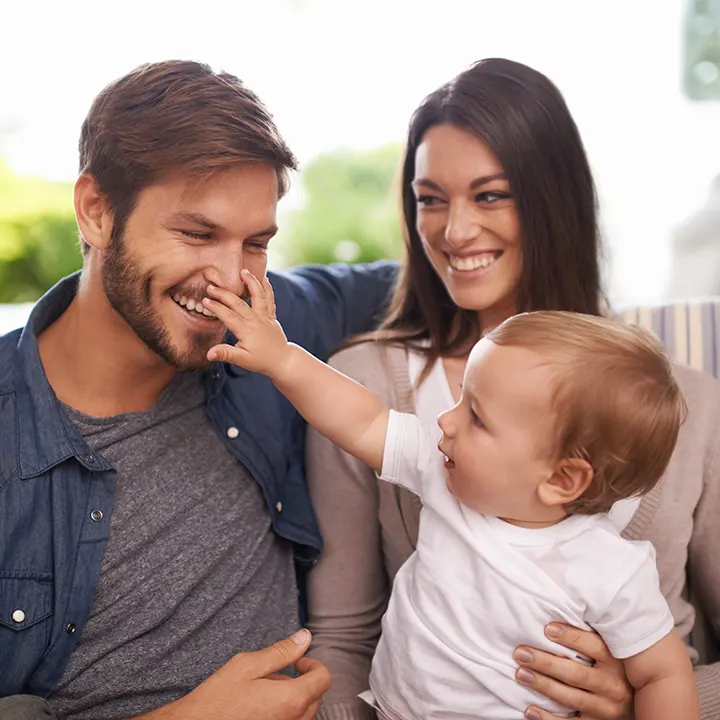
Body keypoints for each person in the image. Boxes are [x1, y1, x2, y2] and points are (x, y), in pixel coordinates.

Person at [304, 58, 720, 720]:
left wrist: (635, 702)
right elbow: (342, 640)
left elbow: (679, 669)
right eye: (430, 198)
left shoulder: (691, 406)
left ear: (555, 200)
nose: (454, 231)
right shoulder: (367, 384)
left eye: (491, 195)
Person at [0, 60, 397, 720]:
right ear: (96, 211)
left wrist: (630, 669)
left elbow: (437, 277)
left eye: (256, 243)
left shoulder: (267, 330)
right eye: (197, 233)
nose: (230, 279)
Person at [203, 275, 700, 719]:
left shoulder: (612, 570)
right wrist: (283, 359)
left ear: (563, 481)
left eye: (477, 417)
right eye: (460, 397)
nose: (446, 419)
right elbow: (364, 421)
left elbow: (663, 674)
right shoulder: (444, 476)